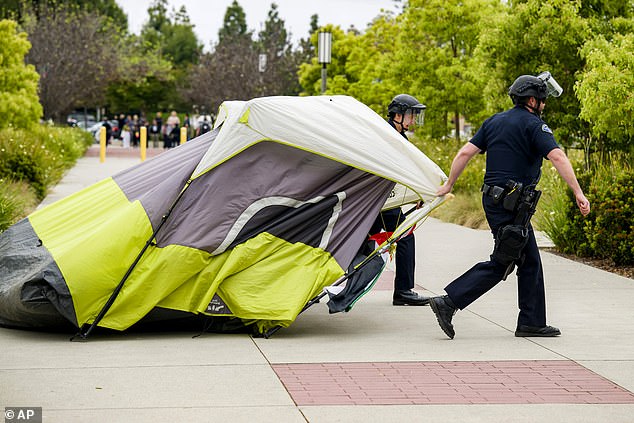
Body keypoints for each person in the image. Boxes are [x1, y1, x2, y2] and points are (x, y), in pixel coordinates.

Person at [429, 72, 591, 339]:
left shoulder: (494, 121)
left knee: (528, 260)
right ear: (531, 100)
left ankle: (531, 321)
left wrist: (449, 185)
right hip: (511, 204)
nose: (544, 104)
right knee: (504, 260)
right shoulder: (534, 126)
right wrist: (578, 192)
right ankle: (449, 301)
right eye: (542, 99)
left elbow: (464, 153)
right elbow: (558, 157)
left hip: (494, 200)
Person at [369, 94, 430, 306]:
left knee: (359, 242)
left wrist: (419, 193)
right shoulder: (388, 136)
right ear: (398, 114)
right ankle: (403, 291)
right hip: (378, 202)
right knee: (404, 236)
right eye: (411, 115)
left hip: (382, 201)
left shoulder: (396, 136)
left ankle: (404, 290)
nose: (413, 120)